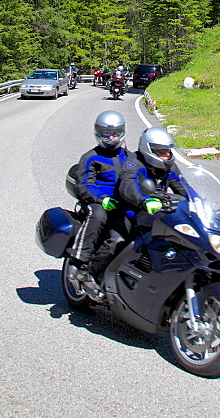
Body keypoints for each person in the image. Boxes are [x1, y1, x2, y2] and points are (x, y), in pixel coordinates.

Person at [66, 112, 169, 299]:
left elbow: (141, 179)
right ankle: (82, 266)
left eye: (115, 133)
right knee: (109, 230)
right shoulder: (91, 157)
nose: (111, 138)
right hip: (100, 203)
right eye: (106, 133)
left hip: (125, 203)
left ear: (122, 132)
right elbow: (84, 184)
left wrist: (159, 196)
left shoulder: (130, 157)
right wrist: (101, 198)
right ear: (98, 133)